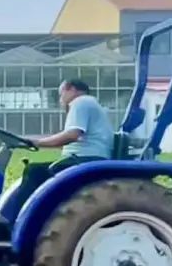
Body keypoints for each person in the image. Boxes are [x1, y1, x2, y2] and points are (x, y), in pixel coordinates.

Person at [6, 79, 114, 215]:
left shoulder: (81, 102)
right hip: (85, 158)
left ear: (71, 89)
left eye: (61, 94)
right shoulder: (91, 104)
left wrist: (38, 143)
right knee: (39, 172)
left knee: (34, 171)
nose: (60, 100)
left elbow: (72, 135)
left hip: (84, 160)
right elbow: (70, 139)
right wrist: (34, 141)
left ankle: (18, 219)